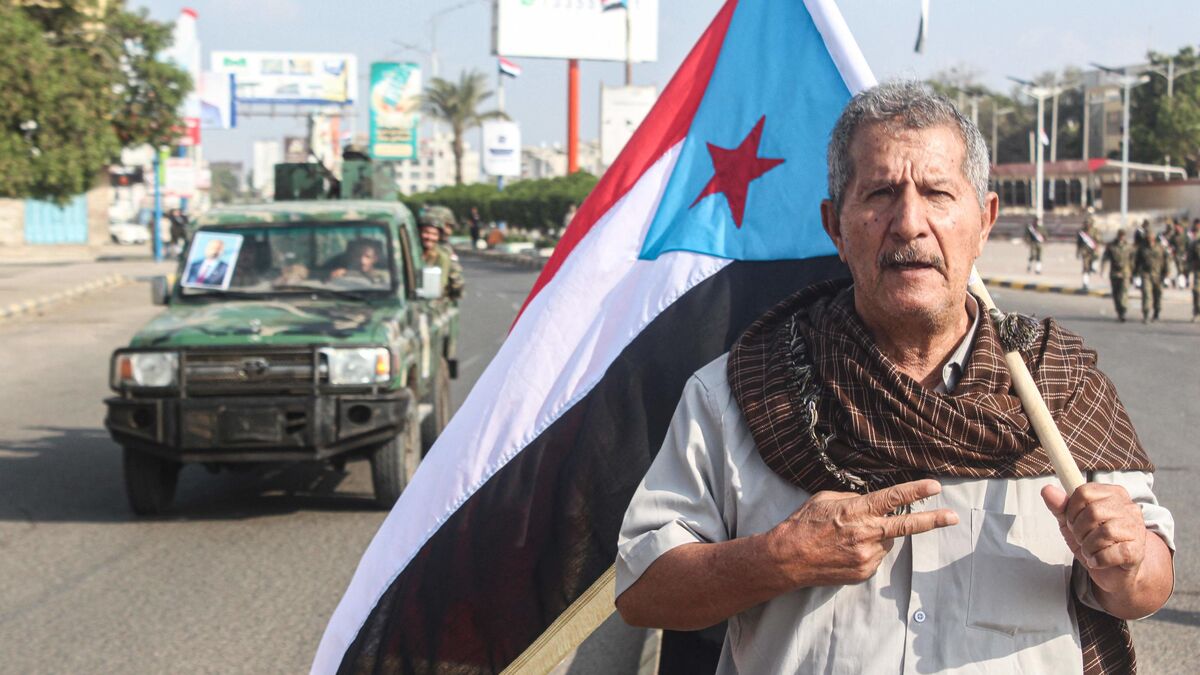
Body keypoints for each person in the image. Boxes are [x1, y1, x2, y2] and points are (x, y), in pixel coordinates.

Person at [615, 82, 1173, 674]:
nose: (909, 223)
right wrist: (778, 558)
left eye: (937, 192)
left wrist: (1128, 562)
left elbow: (1147, 586)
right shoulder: (744, 391)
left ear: (983, 220)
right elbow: (643, 589)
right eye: (880, 193)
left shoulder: (1058, 387)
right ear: (836, 225)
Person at [419, 221, 464, 301]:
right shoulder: (412, 251)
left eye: (434, 234)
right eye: (426, 232)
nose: (430, 237)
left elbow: (452, 284)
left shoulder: (442, 257)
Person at [1134, 229, 1169, 323]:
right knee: (1146, 294)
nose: (1149, 239)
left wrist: (1167, 272)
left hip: (1158, 274)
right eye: (1147, 237)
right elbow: (1137, 262)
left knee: (1158, 294)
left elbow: (1166, 260)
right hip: (1146, 274)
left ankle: (1157, 312)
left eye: (1151, 237)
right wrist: (1135, 273)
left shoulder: (1160, 247)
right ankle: (1146, 314)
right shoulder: (1142, 248)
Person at [1101, 229, 1134, 323]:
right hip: (1114, 273)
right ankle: (1119, 311)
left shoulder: (1128, 246)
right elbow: (1105, 258)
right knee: (1116, 294)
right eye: (1120, 235)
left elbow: (1133, 259)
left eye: (1123, 236)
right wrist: (1103, 270)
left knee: (1124, 292)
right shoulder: (1111, 246)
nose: (1122, 237)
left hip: (1125, 273)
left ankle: (1123, 311)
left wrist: (1133, 271)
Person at [1076, 216, 1100, 290]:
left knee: (1093, 264)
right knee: (1085, 267)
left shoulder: (1095, 231)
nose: (1087, 225)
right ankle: (1085, 283)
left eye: (1088, 223)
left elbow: (1098, 240)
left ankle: (1094, 268)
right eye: (1086, 223)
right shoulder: (1081, 232)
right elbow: (1079, 243)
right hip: (1085, 251)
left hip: (1093, 251)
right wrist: (1078, 252)